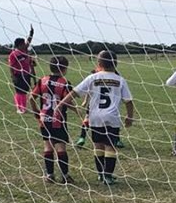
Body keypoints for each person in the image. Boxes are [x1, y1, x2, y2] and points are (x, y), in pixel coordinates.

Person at [58, 51, 134, 186]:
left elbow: (74, 92)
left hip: (95, 117)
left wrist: (60, 104)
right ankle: (108, 176)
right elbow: (128, 101)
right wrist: (129, 117)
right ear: (116, 63)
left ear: (98, 63)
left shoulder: (92, 77)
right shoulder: (120, 80)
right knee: (110, 147)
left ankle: (100, 174)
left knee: (98, 145)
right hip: (111, 117)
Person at [28, 56, 74, 184]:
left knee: (48, 146)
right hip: (58, 120)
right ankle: (65, 176)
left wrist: (36, 111)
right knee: (60, 147)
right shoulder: (64, 83)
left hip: (44, 119)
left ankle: (49, 175)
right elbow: (68, 101)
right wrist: (78, 111)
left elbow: (31, 98)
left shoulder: (42, 80)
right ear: (64, 68)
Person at [7, 35, 35, 114]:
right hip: (18, 75)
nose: (25, 45)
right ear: (19, 45)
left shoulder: (25, 51)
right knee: (20, 92)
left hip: (26, 74)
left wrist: (31, 34)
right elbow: (11, 66)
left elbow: (28, 42)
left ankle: (23, 107)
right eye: (23, 44)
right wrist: (13, 76)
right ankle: (20, 108)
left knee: (24, 91)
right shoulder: (14, 54)